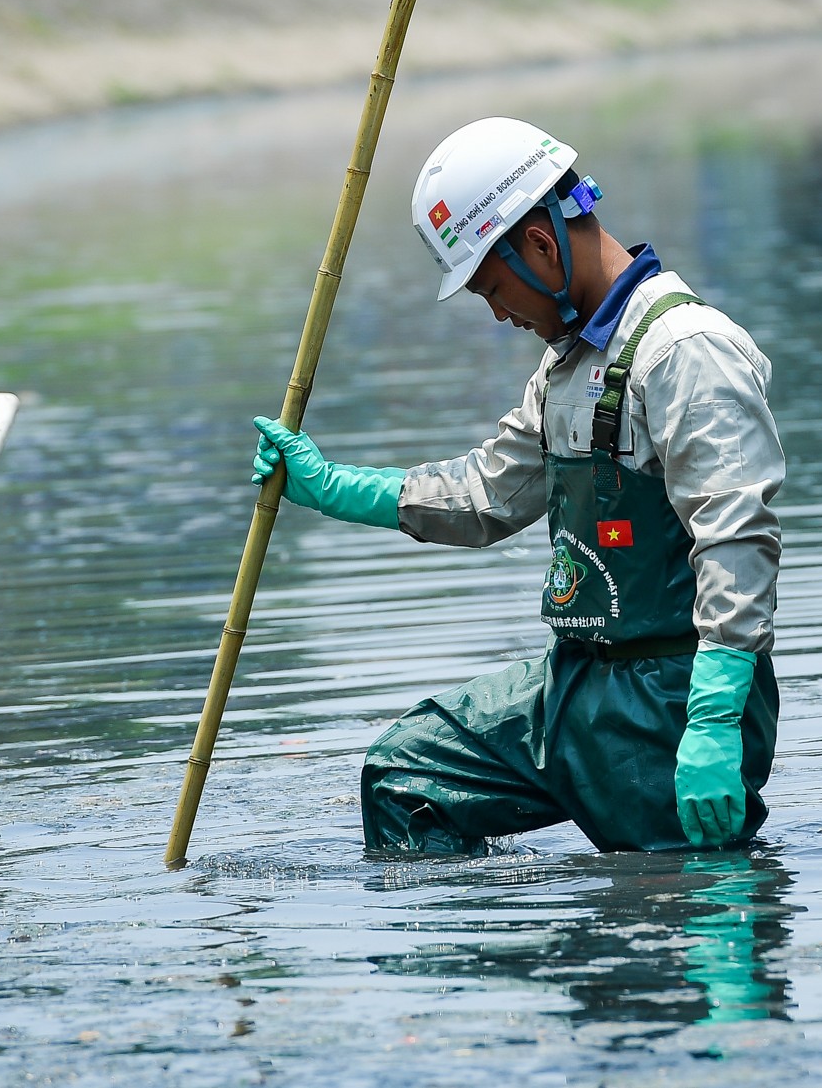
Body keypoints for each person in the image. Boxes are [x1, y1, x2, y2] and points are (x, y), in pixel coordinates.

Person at [250, 116, 783, 854]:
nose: (499, 313)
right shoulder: (569, 365)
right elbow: (485, 496)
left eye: (494, 288)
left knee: (681, 924)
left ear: (540, 243)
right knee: (406, 778)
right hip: (572, 688)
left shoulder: (687, 351)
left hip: (672, 703)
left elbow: (738, 539)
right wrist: (330, 485)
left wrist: (716, 722)